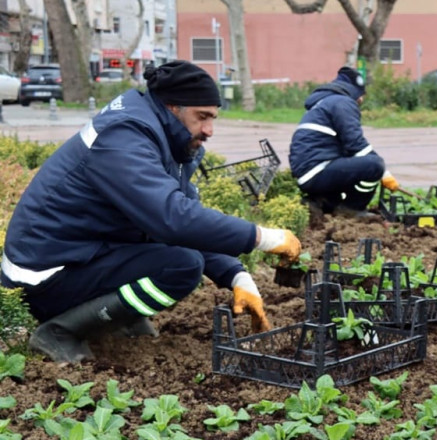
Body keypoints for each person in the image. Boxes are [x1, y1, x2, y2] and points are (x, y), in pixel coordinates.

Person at [0, 60, 302, 363]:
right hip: (42, 277)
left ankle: (116, 318)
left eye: (213, 118)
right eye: (202, 117)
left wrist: (236, 277)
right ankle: (59, 331)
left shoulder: (164, 138)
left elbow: (186, 218)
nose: (209, 130)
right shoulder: (124, 136)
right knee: (181, 266)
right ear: (172, 107)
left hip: (80, 255)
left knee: (173, 249)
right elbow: (174, 220)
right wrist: (262, 237)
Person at [288, 66, 401, 217]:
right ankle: (352, 208)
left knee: (357, 162)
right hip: (317, 170)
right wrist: (384, 173)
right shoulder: (343, 103)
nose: (361, 100)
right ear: (354, 91)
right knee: (374, 166)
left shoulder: (325, 103)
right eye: (361, 94)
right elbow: (355, 144)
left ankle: (323, 202)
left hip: (309, 171)